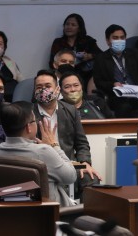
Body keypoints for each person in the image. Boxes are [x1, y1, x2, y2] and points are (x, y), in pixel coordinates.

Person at [0, 101, 77, 206]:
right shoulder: (43, 152)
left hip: (13, 216)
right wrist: (54, 145)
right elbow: (71, 176)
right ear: (28, 127)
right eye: (35, 120)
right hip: (53, 215)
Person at [33, 70, 101, 199]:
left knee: (91, 179)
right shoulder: (28, 114)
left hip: (68, 164)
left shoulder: (70, 110)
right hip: (41, 166)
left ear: (57, 89)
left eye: (47, 86)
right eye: (39, 87)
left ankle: (83, 218)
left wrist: (84, 162)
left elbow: (81, 143)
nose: (43, 90)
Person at [93, 24, 138, 118]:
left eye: (122, 37)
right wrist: (112, 84)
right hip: (117, 97)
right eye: (115, 38)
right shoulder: (101, 58)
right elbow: (98, 82)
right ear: (107, 41)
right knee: (125, 107)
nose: (119, 40)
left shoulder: (135, 54)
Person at [49, 13, 102, 86]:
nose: (69, 27)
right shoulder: (58, 42)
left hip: (85, 77)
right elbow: (51, 63)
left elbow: (101, 56)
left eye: (73, 25)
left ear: (79, 28)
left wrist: (89, 56)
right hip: (63, 76)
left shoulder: (88, 41)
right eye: (67, 24)